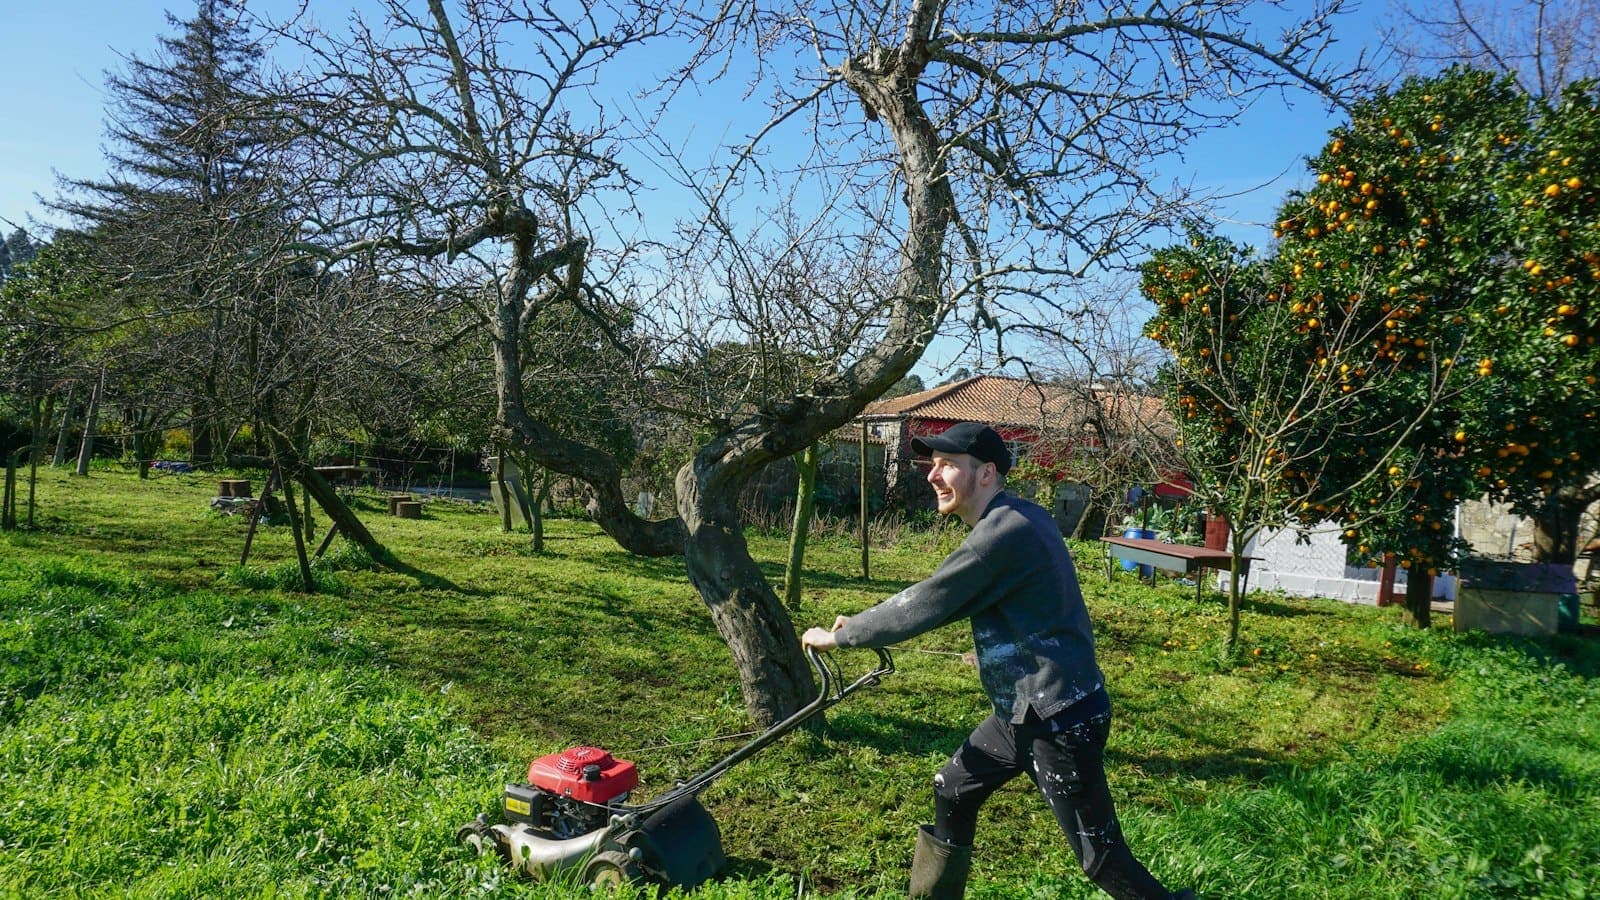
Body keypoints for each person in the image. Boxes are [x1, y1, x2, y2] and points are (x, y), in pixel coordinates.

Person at [801, 422, 1189, 900]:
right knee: (952, 788)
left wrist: (843, 636)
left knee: (1101, 857)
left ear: (986, 473)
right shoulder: (1017, 517)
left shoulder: (1007, 531)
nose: (933, 476)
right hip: (1021, 712)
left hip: (1059, 719)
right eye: (932, 464)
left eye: (946, 465)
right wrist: (860, 621)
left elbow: (932, 599)